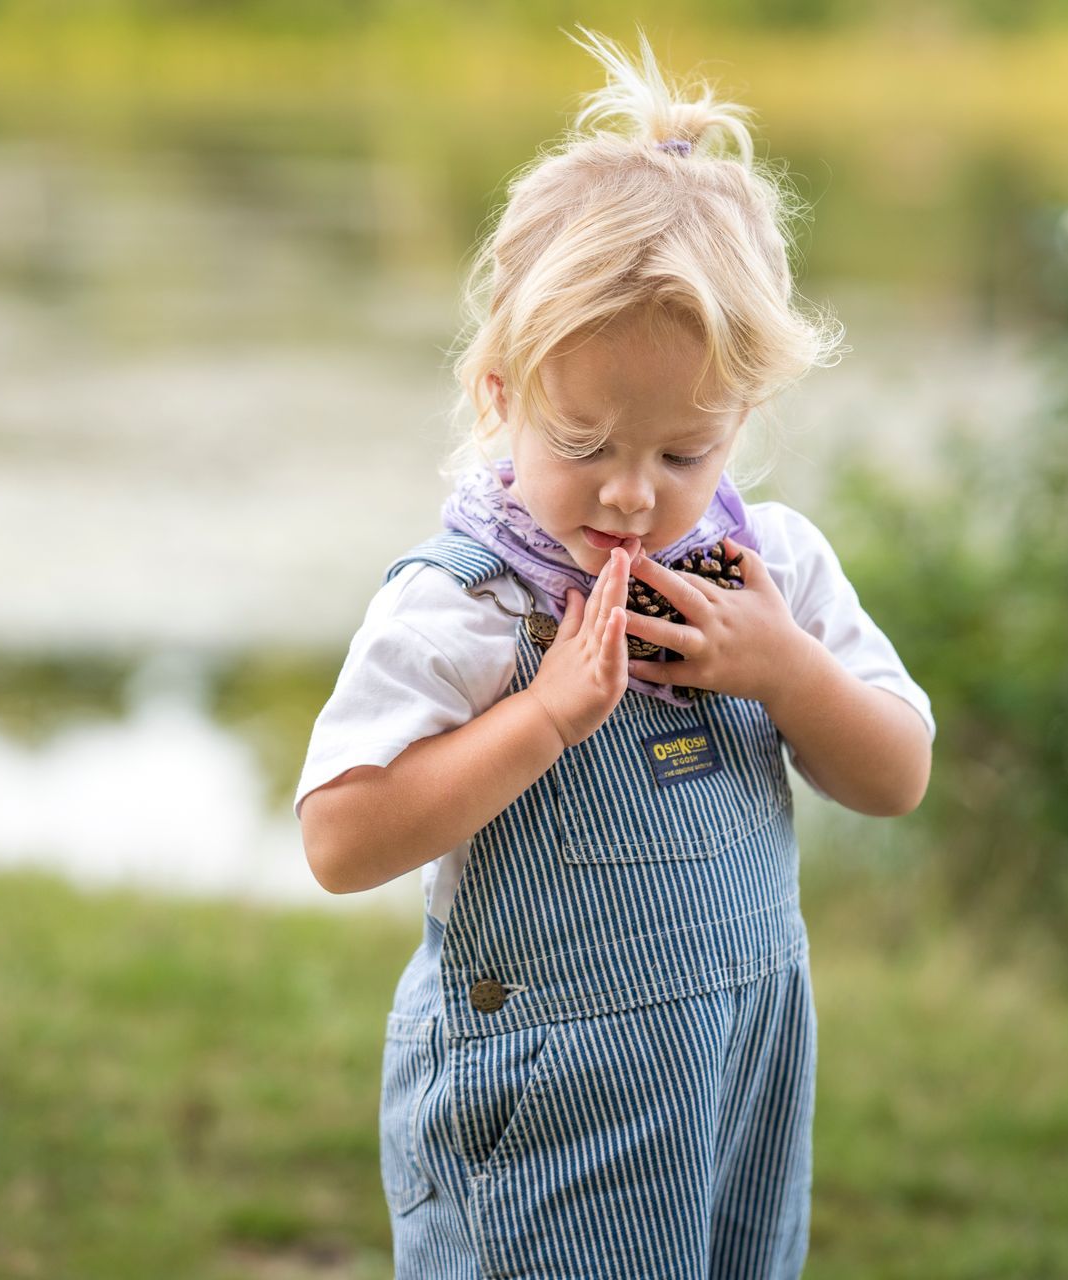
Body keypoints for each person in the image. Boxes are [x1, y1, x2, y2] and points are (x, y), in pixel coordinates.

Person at [294, 26, 935, 1279]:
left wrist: (788, 671)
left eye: (683, 454)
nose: (633, 495)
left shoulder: (775, 574)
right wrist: (537, 718)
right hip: (544, 1127)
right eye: (584, 443)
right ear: (499, 394)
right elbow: (337, 838)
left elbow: (898, 772)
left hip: (731, 1094)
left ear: (741, 416)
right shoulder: (467, 606)